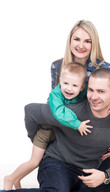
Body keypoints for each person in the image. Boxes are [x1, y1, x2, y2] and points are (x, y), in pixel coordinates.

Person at [20, 67, 110, 192]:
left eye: (100, 91)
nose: (94, 97)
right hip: (58, 165)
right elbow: (30, 111)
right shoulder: (68, 112)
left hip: (88, 171)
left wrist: (105, 176)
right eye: (91, 90)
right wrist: (37, 141)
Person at [3, 62, 94, 190]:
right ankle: (10, 178)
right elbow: (59, 113)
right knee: (35, 161)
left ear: (82, 86)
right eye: (66, 83)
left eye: (74, 85)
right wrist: (77, 124)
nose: (69, 88)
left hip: (60, 132)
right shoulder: (55, 94)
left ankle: (17, 181)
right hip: (46, 130)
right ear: (60, 81)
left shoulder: (83, 93)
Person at [51, 19, 110, 168]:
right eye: (76, 39)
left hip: (100, 136)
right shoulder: (57, 66)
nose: (81, 45)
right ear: (70, 41)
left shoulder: (105, 68)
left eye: (87, 41)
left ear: (93, 44)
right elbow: (56, 103)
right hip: (71, 131)